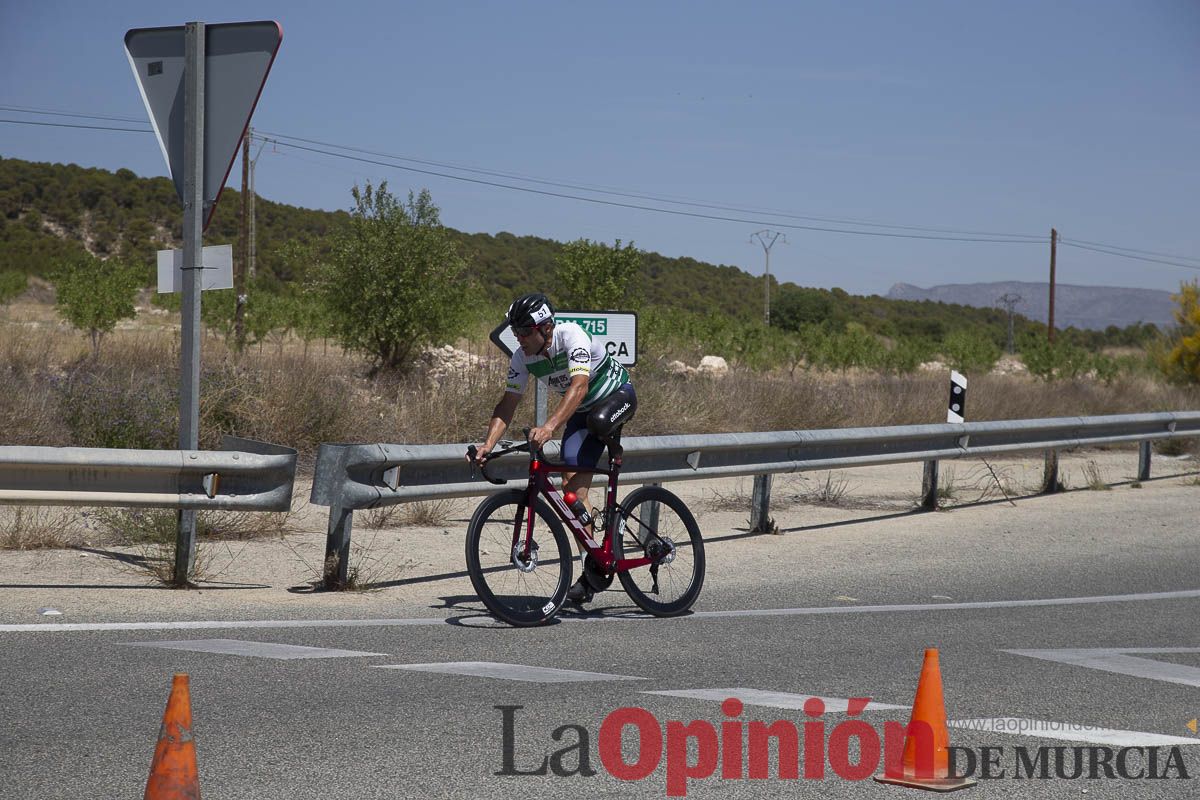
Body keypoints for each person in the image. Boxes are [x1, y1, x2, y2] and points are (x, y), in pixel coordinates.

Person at [470, 292, 636, 604]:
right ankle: (596, 566)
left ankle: (614, 448)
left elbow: (579, 386)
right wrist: (488, 444)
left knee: (599, 423)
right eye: (515, 332)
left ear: (546, 328)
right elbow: (508, 403)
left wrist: (548, 427)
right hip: (581, 413)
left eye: (525, 332)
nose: (519, 338)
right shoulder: (522, 358)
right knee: (571, 494)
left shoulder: (571, 336)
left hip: (615, 396)